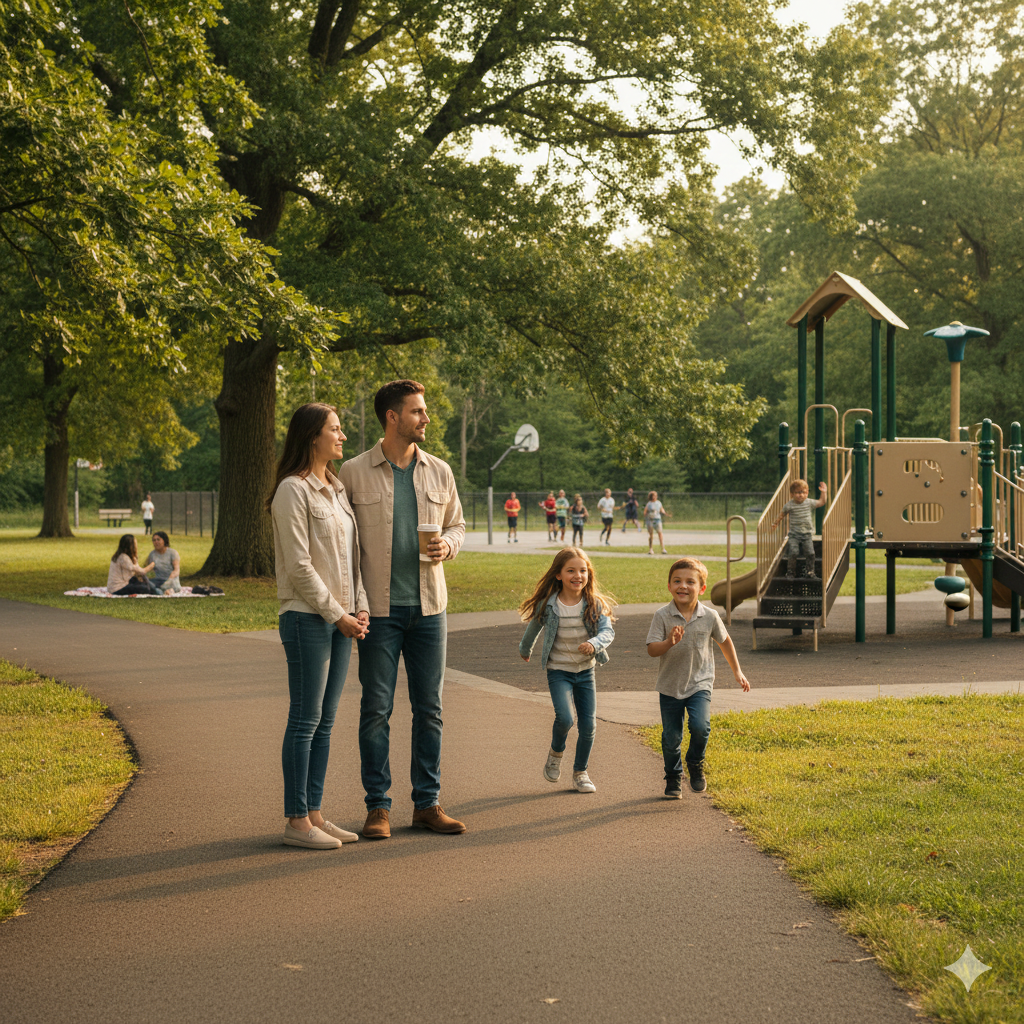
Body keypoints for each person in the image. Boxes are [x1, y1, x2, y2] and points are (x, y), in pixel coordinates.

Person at [339, 380, 467, 839]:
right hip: (378, 611)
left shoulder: (440, 471)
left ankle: (427, 804)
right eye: (417, 411)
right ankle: (378, 807)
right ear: (392, 417)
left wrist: (448, 546)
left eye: (424, 411)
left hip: (430, 609)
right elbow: (340, 541)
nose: (425, 418)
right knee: (376, 708)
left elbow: (457, 523)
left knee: (429, 708)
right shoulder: (352, 473)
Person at [269, 402, 370, 850]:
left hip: (341, 618)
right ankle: (295, 820)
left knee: (325, 721)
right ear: (313, 436)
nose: (342, 436)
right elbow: (299, 565)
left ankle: (313, 812)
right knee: (306, 718)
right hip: (307, 618)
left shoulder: (337, 489)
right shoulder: (293, 491)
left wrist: (359, 608)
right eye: (335, 429)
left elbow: (352, 557)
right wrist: (339, 614)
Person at [646, 558, 751, 798]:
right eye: (677, 581)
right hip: (670, 686)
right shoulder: (662, 616)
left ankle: (695, 762)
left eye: (690, 582)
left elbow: (724, 641)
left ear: (701, 588)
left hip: (700, 684)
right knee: (671, 738)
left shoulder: (710, 616)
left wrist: (737, 671)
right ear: (669, 586)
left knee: (701, 727)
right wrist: (668, 642)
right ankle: (673, 776)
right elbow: (652, 649)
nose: (683, 586)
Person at [519, 548, 616, 794]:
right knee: (565, 718)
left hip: (585, 672)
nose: (578, 575)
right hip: (558, 671)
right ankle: (555, 753)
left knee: (588, 726)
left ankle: (580, 772)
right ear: (559, 575)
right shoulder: (548, 605)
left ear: (588, 574)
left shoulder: (594, 604)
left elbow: (607, 632)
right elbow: (533, 627)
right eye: (571, 570)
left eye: (582, 570)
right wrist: (525, 648)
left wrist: (594, 644)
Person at [771, 479, 828, 579]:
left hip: (807, 534)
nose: (800, 495)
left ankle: (810, 572)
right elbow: (782, 514)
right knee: (793, 552)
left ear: (807, 493)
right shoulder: (789, 505)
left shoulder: (809, 502)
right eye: (797, 492)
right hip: (794, 534)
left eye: (803, 492)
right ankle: (790, 572)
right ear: (792, 494)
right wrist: (775, 523)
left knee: (810, 553)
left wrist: (824, 492)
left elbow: (821, 502)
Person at [644, 490, 671, 555]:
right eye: (653, 496)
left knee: (660, 534)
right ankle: (651, 549)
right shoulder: (649, 503)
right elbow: (645, 511)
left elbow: (661, 509)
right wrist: (646, 514)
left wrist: (665, 513)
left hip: (657, 519)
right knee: (651, 535)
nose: (654, 497)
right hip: (650, 520)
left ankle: (663, 548)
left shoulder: (658, 503)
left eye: (655, 496)